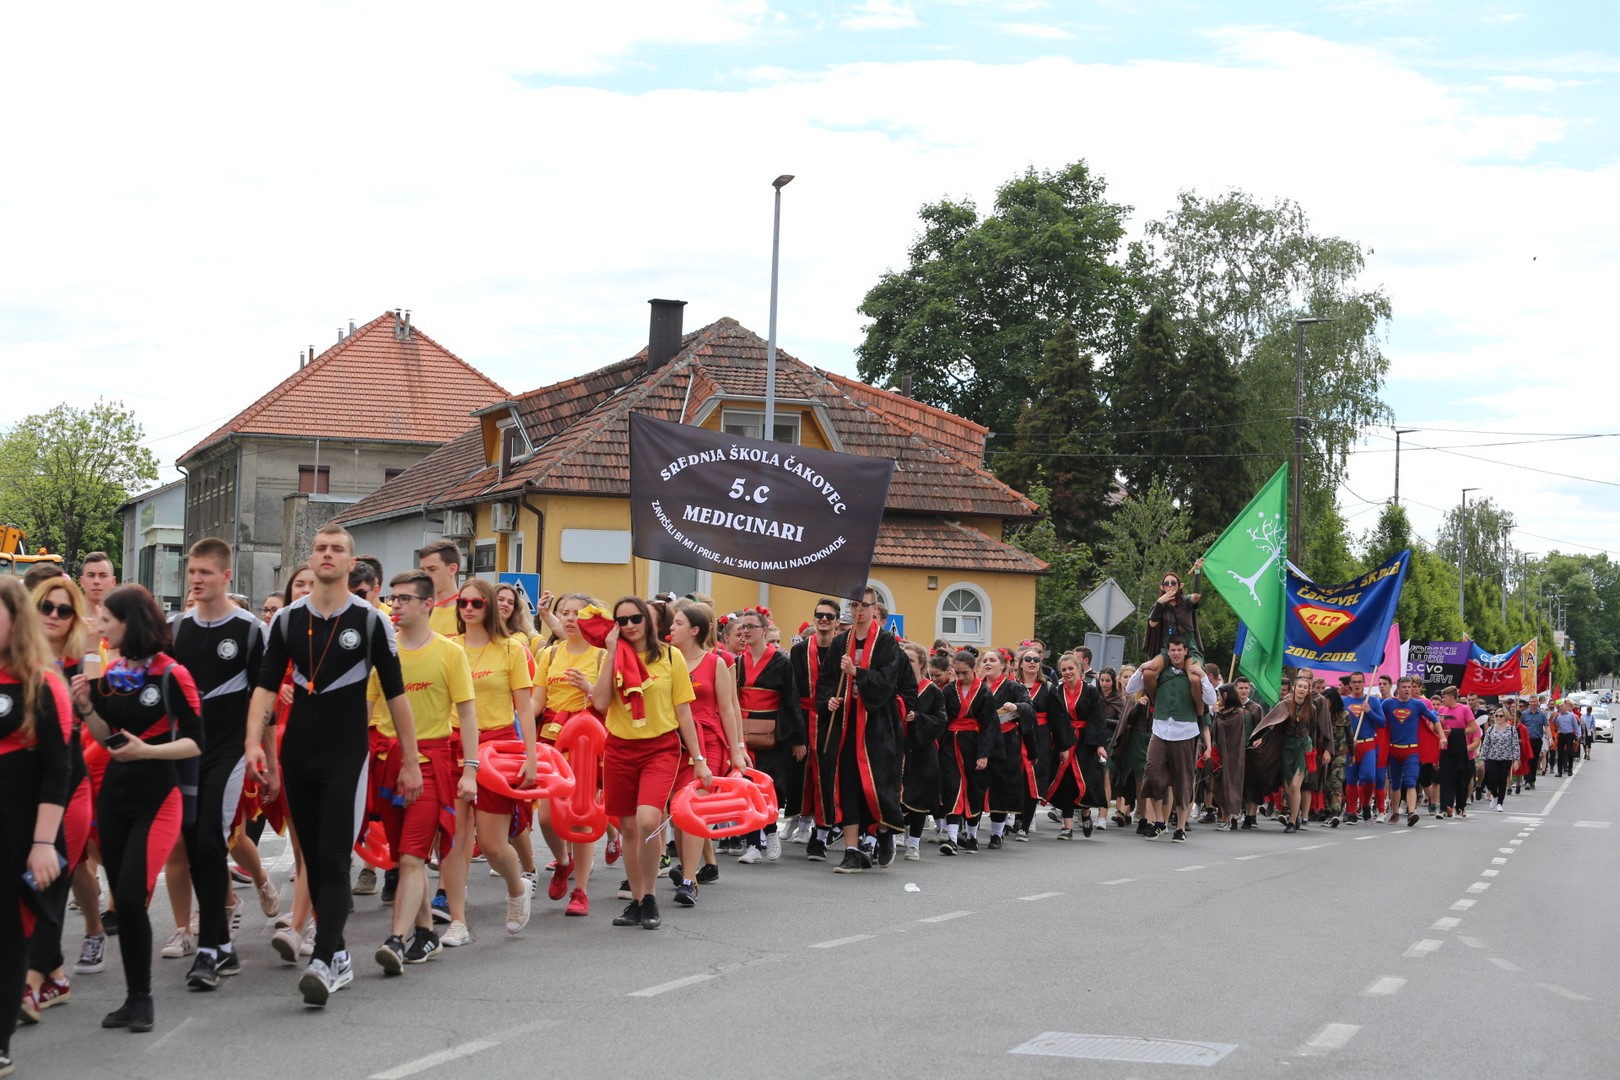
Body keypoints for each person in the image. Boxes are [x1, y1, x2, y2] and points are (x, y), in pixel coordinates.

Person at [245, 526, 420, 1007]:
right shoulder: (285, 620)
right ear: (312, 558)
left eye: (336, 549)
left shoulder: (371, 621)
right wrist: (253, 744)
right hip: (298, 750)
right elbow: (263, 686)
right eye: (320, 548)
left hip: (347, 753)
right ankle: (337, 952)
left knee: (331, 853)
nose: (327, 555)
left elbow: (397, 694)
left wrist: (410, 760)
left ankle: (324, 958)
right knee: (310, 860)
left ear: (349, 562)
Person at [69, 583, 203, 1033]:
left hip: (158, 798)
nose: (100, 626)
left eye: (107, 619)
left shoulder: (172, 673)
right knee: (125, 907)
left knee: (130, 895)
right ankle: (131, 998)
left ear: (130, 622)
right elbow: (109, 735)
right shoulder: (115, 672)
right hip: (114, 797)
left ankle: (143, 1000)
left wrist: (147, 752)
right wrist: (87, 707)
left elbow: (194, 743)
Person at [169, 538, 267, 990]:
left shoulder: (249, 629)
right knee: (193, 843)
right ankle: (220, 947)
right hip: (185, 753)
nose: (196, 580)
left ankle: (210, 946)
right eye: (192, 572)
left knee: (211, 838)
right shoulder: (176, 630)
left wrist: (262, 752)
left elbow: (262, 699)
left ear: (226, 576)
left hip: (228, 752)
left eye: (206, 572)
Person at [371, 571, 474, 974]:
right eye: (392, 598)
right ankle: (428, 931)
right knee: (403, 858)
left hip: (433, 766)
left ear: (428, 604)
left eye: (404, 599)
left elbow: (467, 713)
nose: (395, 605)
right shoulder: (384, 652)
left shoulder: (450, 653)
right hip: (387, 764)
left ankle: (396, 938)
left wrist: (470, 768)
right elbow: (368, 710)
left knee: (413, 856)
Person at [591, 596, 707, 929]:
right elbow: (599, 703)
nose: (629, 626)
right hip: (619, 750)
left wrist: (698, 759)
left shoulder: (671, 656)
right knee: (628, 829)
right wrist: (611, 653)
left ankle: (651, 894)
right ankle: (638, 901)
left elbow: (684, 711)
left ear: (649, 620)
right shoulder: (612, 656)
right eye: (621, 620)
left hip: (661, 749)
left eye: (634, 619)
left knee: (646, 821)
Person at [0, 579, 73, 1075]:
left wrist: (44, 842)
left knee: (6, 937)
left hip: (17, 829)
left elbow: (57, 769)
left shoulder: (40, 684)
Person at [439, 578, 535, 947]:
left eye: (477, 603)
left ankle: (517, 886)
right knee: (455, 838)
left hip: (497, 747)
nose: (467, 609)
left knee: (494, 844)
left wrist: (531, 755)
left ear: (490, 607)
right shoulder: (449, 648)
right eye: (463, 603)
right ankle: (458, 922)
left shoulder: (511, 649)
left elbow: (524, 708)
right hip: (452, 746)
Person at [20, 578, 94, 1022]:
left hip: (70, 785)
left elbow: (101, 729)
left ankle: (28, 985)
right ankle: (57, 974)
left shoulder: (82, 665)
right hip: (22, 789)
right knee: (21, 887)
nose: (53, 615)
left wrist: (86, 705)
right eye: (45, 606)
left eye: (64, 610)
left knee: (48, 884)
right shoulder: (15, 663)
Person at [813, 587, 905, 873]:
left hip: (876, 727)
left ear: (874, 608)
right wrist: (828, 700)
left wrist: (858, 673)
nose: (859, 611)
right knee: (848, 784)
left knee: (875, 785)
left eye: (864, 606)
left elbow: (889, 682)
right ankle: (851, 851)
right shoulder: (842, 642)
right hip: (846, 725)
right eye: (854, 606)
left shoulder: (888, 643)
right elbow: (826, 680)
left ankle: (884, 830)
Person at [532, 593, 608, 915]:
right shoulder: (549, 655)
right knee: (547, 817)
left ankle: (580, 890)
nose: (570, 617)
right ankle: (563, 862)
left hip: (586, 740)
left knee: (580, 816)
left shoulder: (603, 657)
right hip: (551, 740)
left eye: (577, 612)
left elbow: (605, 704)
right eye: (565, 612)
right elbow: (537, 702)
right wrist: (513, 720)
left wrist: (588, 689)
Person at [667, 601, 747, 905]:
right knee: (677, 811)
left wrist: (737, 749)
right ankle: (688, 867)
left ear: (695, 630)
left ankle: (688, 879)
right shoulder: (666, 659)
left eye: (676, 623)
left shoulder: (715, 662)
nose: (670, 629)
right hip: (673, 741)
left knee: (695, 808)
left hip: (709, 742)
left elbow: (728, 709)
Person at [731, 608, 804, 865]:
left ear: (764, 630)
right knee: (746, 786)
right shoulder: (737, 662)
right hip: (743, 731)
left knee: (769, 787)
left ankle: (771, 832)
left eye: (751, 626)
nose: (745, 631)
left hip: (774, 733)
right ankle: (752, 844)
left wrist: (797, 739)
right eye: (742, 627)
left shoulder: (781, 662)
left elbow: (792, 701)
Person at [1130, 636, 1213, 842]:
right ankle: (1159, 822)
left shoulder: (1193, 674)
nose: (1176, 654)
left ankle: (1181, 827)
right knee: (1153, 775)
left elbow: (1211, 700)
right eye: (1172, 650)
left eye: (1179, 650)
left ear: (1186, 652)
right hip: (1160, 730)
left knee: (1183, 781)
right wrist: (1141, 668)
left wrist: (1203, 676)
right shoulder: (1160, 673)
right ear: (1169, 652)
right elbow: (1129, 689)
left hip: (1185, 732)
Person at [789, 598, 840, 855]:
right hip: (804, 717)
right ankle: (802, 824)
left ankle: (822, 833)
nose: (824, 620)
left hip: (833, 723)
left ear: (836, 622)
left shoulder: (843, 651)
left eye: (829, 616)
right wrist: (797, 736)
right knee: (803, 778)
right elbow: (792, 694)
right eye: (820, 615)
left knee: (828, 777)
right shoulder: (799, 651)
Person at [936, 650, 998, 855]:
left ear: (974, 669)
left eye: (964, 673)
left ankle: (972, 836)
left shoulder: (984, 692)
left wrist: (984, 754)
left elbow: (989, 725)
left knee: (975, 788)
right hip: (951, 745)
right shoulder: (947, 691)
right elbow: (942, 720)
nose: (960, 677)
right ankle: (952, 838)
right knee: (952, 786)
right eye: (957, 673)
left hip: (974, 745)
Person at [898, 641, 947, 860]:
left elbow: (940, 720)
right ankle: (887, 839)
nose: (906, 664)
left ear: (921, 664)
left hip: (921, 750)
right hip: (896, 749)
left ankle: (914, 843)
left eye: (910, 660)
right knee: (893, 797)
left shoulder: (932, 691)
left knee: (917, 799)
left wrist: (918, 718)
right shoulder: (894, 686)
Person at [1043, 651, 1098, 839]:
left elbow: (1096, 718)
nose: (1067, 672)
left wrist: (1097, 744)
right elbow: (1055, 719)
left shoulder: (1090, 690)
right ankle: (1067, 827)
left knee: (1083, 782)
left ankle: (1085, 813)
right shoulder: (1057, 691)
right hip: (1064, 740)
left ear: (1079, 669)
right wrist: (1059, 744)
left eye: (1071, 668)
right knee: (1066, 783)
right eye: (1064, 669)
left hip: (1084, 742)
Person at [1250, 674, 1315, 832]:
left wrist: (1318, 751)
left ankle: (1292, 822)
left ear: (1308, 691)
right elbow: (1272, 723)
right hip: (1287, 746)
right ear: (1294, 688)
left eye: (1305, 687)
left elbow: (1314, 731)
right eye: (1299, 686)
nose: (1301, 689)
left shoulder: (1312, 708)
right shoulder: (1285, 704)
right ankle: (1296, 814)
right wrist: (1262, 739)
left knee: (1295, 785)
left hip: (1303, 746)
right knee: (1287, 788)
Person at [1014, 647, 1063, 839]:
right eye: (1028, 659)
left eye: (1036, 659)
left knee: (1032, 782)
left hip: (1039, 738)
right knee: (1015, 780)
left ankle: (1024, 825)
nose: (1032, 662)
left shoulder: (1048, 687)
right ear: (1021, 663)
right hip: (1015, 736)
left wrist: (1062, 746)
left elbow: (1058, 718)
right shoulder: (1013, 685)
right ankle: (1015, 819)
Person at [1381, 676, 1439, 827]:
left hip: (1412, 750)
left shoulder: (1417, 705)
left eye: (1409, 687)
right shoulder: (1388, 704)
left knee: (1411, 782)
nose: (1408, 689)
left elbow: (1435, 719)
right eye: (1404, 687)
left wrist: (1443, 736)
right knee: (1395, 784)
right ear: (1398, 688)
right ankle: (1394, 811)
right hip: (1393, 751)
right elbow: (1379, 721)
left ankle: (1412, 812)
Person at [1340, 672, 1386, 824]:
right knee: (1351, 779)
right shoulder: (1344, 701)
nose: (1357, 685)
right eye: (1354, 682)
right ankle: (1351, 811)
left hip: (1368, 744)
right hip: (1350, 745)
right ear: (1350, 684)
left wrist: (1369, 712)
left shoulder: (1371, 701)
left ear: (1365, 683)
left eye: (1360, 682)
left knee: (1369, 776)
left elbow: (1382, 723)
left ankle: (1366, 804)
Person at [1209, 683, 1249, 831]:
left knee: (1229, 785)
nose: (1218, 697)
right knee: (1217, 785)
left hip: (1233, 754)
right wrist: (1216, 714)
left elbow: (1227, 728)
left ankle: (1228, 817)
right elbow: (1215, 731)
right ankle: (1226, 815)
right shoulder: (1222, 712)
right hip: (1220, 752)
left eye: (1219, 694)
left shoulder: (1238, 713)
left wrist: (1219, 714)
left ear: (1225, 695)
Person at [1143, 560, 1203, 658]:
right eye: (1167, 584)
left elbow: (1197, 595)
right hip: (1168, 646)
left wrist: (1197, 571)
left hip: (1188, 644)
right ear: (1162, 587)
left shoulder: (1186, 600)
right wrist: (1159, 603)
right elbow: (1152, 624)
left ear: (1179, 586)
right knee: (1150, 671)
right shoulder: (1159, 605)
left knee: (1194, 670)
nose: (1170, 585)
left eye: (1173, 583)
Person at [1435, 687, 1478, 819]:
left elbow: (1473, 728)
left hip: (1459, 748)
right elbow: (1436, 729)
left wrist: (1457, 732)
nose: (1442, 700)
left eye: (1444, 697)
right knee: (1445, 778)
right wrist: (1439, 725)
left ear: (1452, 697)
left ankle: (1460, 807)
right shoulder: (1441, 710)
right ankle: (1444, 808)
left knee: (1460, 779)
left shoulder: (1464, 709)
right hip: (1445, 748)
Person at [417, 539, 463, 637]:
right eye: (423, 570)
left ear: (452, 569)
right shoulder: (419, 612)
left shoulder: (470, 610)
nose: (425, 575)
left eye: (432, 569)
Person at [1479, 708, 1521, 812]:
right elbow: (1485, 744)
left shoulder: (1512, 729)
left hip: (1506, 758)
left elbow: (1515, 745)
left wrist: (1516, 759)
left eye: (1500, 716)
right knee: (1491, 779)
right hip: (1492, 757)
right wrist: (1482, 759)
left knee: (1502, 780)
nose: (1498, 717)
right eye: (1496, 715)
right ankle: (1495, 795)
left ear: (1506, 716)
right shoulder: (1491, 729)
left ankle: (1500, 803)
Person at [1519, 698, 1548, 789]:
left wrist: (1550, 738)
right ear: (1529, 703)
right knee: (1528, 760)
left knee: (1535, 760)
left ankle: (1532, 780)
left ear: (1537, 703)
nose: (1533, 703)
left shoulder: (1541, 714)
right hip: (1527, 740)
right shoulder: (1524, 714)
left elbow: (1546, 726)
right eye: (1531, 702)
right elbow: (1520, 726)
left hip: (1537, 740)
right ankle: (1527, 780)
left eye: (1535, 702)